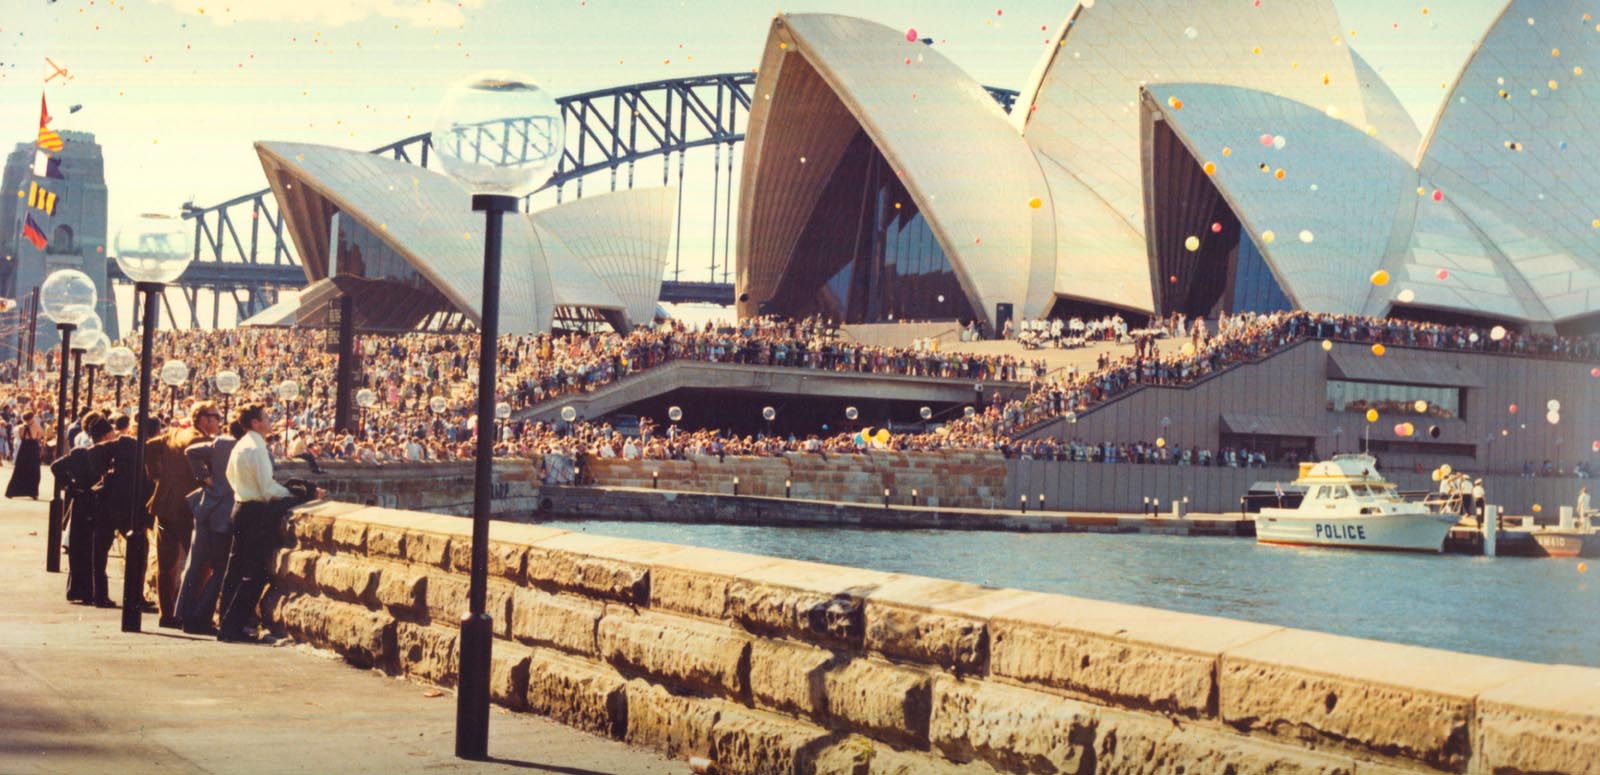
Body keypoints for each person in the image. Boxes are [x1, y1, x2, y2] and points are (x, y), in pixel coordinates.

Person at [216, 404, 322, 643]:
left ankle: (226, 622)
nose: (270, 419)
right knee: (253, 573)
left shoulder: (241, 446)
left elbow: (232, 478)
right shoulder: (256, 448)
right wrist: (295, 495)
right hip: (254, 511)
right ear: (255, 423)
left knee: (235, 571)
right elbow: (266, 488)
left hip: (240, 506)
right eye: (265, 417)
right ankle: (233, 627)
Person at [144, 404, 211, 629]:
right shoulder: (199, 440)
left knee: (166, 565)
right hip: (187, 509)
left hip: (164, 505)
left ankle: (166, 614)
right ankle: (191, 614)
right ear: (203, 419)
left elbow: (150, 446)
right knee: (201, 564)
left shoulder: (174, 433)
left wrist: (157, 476)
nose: (219, 421)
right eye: (216, 417)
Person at [175, 410, 235, 636]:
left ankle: (183, 614)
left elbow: (191, 452)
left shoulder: (221, 444)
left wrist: (206, 478)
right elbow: (190, 451)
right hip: (223, 512)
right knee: (220, 568)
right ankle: (199, 617)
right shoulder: (231, 445)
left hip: (206, 506)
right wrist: (205, 477)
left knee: (195, 564)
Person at [88, 414, 144, 609]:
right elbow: (94, 452)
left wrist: (105, 473)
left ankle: (100, 595)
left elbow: (93, 453)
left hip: (107, 502)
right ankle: (135, 595)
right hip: (123, 505)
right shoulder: (125, 442)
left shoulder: (120, 444)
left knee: (100, 550)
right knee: (138, 548)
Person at [52, 412, 108, 603]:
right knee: (85, 547)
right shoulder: (87, 453)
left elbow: (57, 467)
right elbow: (56, 467)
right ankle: (83, 590)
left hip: (86, 502)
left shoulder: (87, 453)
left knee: (84, 547)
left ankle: (81, 590)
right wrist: (71, 486)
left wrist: (70, 486)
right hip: (89, 502)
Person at [6, 411, 43, 499]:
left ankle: (12, 491)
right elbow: (40, 435)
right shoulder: (36, 426)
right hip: (33, 448)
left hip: (24, 448)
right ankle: (33, 492)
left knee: (19, 470)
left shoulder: (21, 427)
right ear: (32, 417)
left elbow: (21, 437)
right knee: (34, 471)